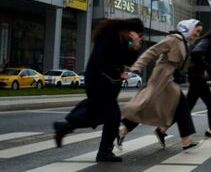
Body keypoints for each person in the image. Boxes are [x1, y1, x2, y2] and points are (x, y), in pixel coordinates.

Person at [53, 18, 143, 162]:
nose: (137, 38)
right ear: (130, 30)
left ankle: (65, 126)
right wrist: (117, 73)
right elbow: (102, 60)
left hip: (108, 83)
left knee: (97, 113)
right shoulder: (109, 35)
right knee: (113, 115)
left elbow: (129, 61)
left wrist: (135, 47)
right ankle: (104, 152)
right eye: (137, 35)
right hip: (97, 80)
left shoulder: (124, 40)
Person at [117, 19, 201, 150]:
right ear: (188, 28)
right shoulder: (173, 39)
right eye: (197, 31)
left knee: (149, 105)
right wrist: (138, 66)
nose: (198, 34)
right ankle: (185, 140)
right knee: (180, 106)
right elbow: (153, 51)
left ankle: (124, 129)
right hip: (162, 77)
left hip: (170, 79)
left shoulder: (186, 43)